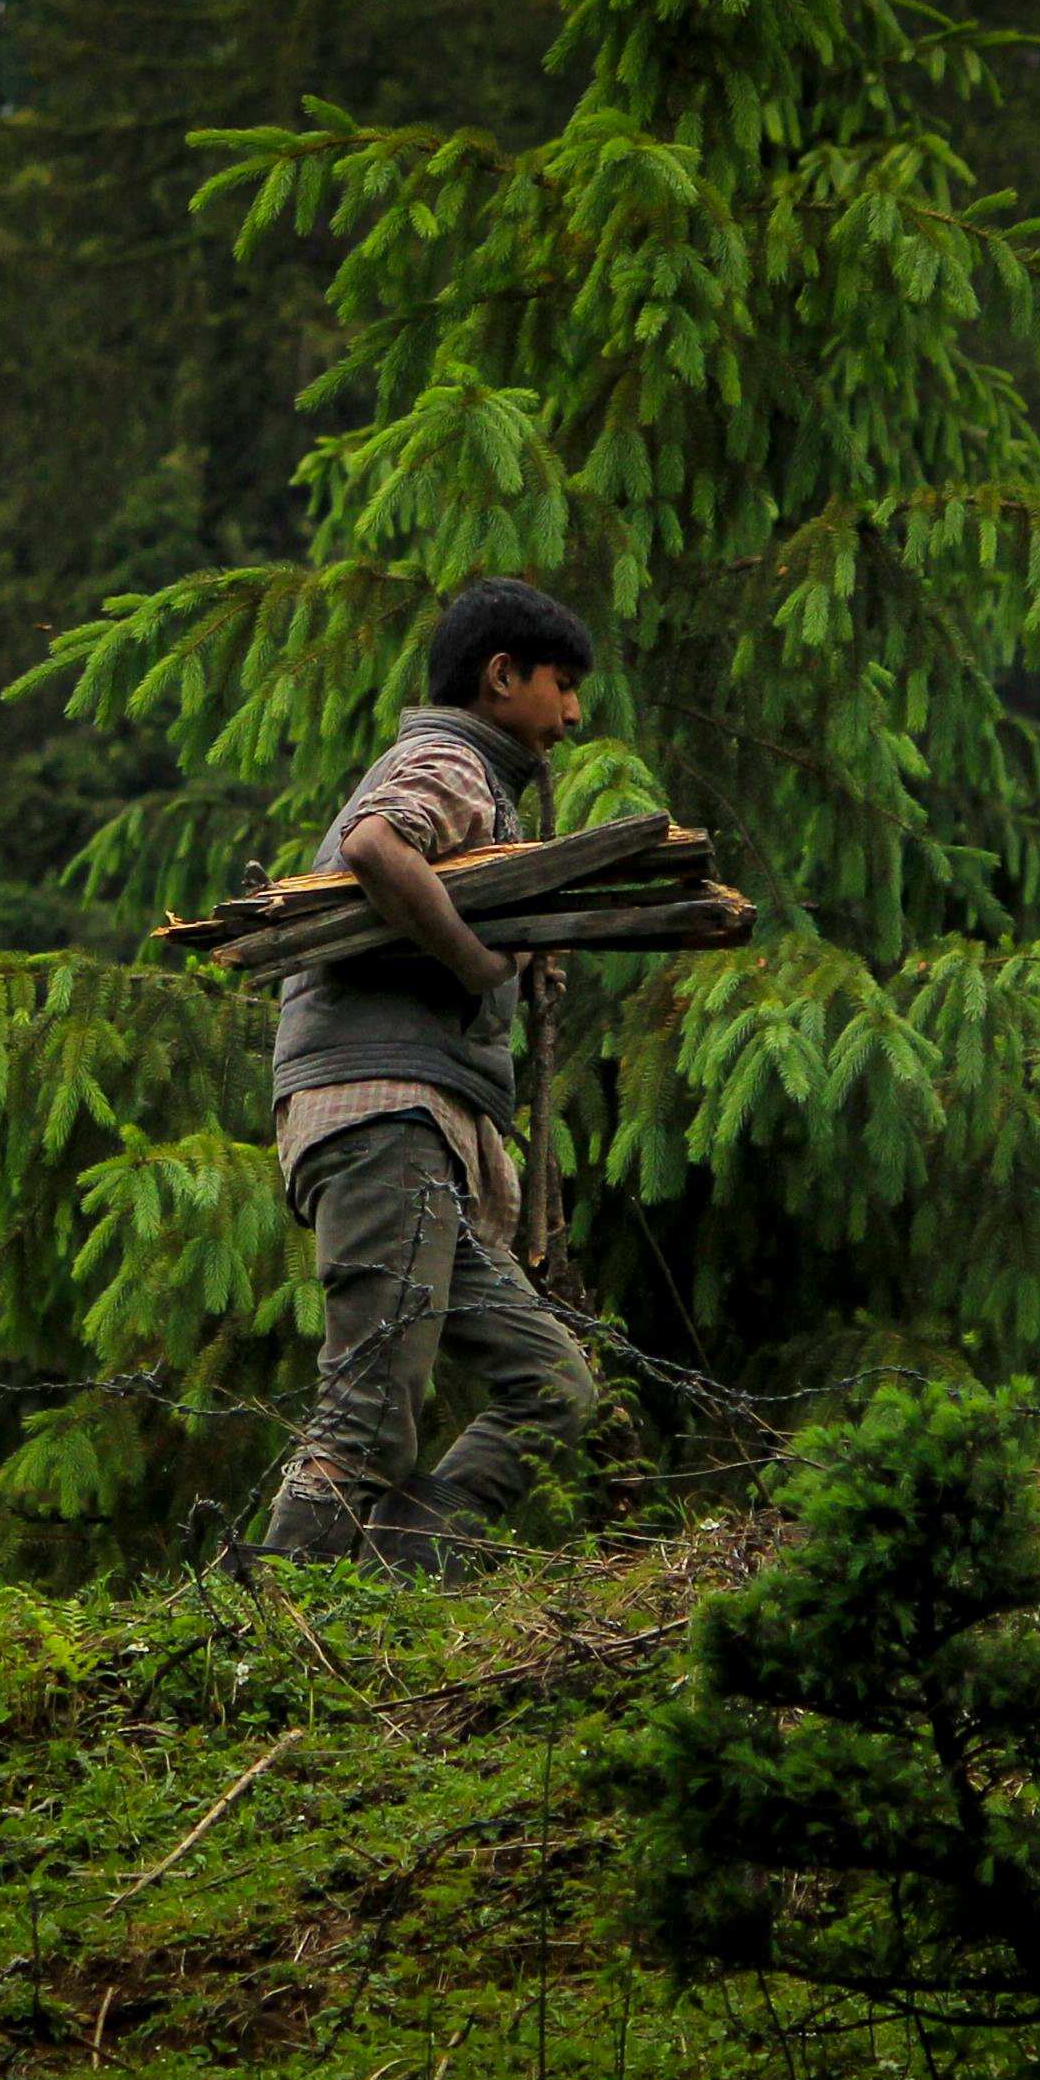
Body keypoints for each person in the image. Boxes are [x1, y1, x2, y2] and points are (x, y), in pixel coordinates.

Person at [257, 575, 612, 1568]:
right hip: (383, 1121)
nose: (573, 713)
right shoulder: (447, 758)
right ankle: (259, 1635)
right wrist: (475, 959)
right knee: (368, 1411)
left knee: (553, 1388)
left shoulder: (484, 787)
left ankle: (389, 1579)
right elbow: (378, 842)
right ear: (502, 675)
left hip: (424, 1148)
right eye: (562, 682)